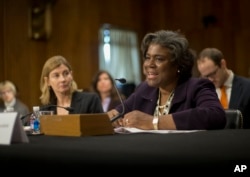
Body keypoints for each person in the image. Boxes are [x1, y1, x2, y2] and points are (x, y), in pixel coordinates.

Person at [107, 30, 226, 130]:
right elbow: (119, 113)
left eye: (159, 59)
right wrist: (113, 117)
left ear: (178, 65)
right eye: (148, 58)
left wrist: (153, 122)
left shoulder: (196, 87)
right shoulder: (144, 89)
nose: (150, 64)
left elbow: (215, 115)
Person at [197, 47, 250, 129]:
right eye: (206, 76)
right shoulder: (203, 91)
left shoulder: (247, 87)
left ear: (223, 64)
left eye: (213, 73)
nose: (210, 80)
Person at [39, 55, 104, 114]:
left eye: (66, 73)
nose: (63, 79)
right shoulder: (45, 110)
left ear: (71, 75)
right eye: (56, 75)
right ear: (47, 81)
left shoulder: (90, 101)